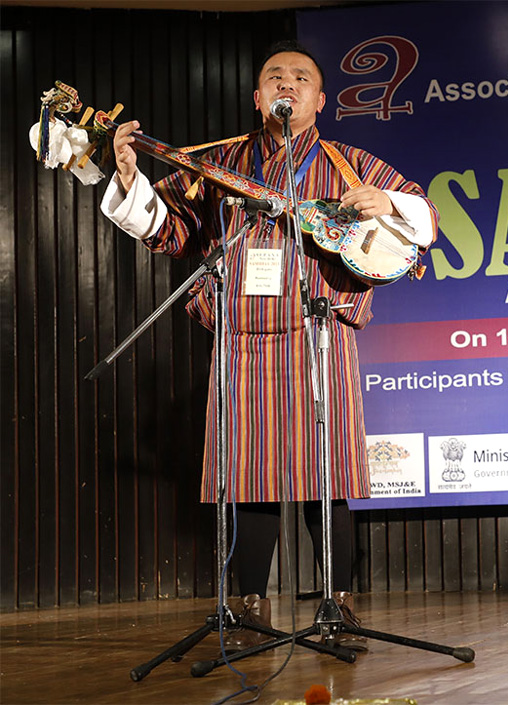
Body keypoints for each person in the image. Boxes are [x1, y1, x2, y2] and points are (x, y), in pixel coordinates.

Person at [101, 40, 437, 650]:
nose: (288, 84)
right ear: (258, 98)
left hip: (321, 333)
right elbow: (169, 230)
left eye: (301, 78)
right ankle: (250, 607)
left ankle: (338, 605)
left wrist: (386, 200)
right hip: (241, 339)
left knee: (327, 471)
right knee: (247, 472)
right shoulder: (219, 162)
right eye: (276, 77)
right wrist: (129, 178)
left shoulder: (350, 164)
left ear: (320, 100)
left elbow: (426, 219)